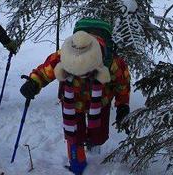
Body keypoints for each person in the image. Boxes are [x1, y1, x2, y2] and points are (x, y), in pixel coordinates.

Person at [19, 18, 130, 175]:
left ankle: (94, 145)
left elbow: (122, 84)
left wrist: (122, 105)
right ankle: (78, 166)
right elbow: (48, 69)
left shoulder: (112, 63)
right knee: (74, 135)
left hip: (101, 102)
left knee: (98, 135)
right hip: (72, 102)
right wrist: (34, 82)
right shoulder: (65, 53)